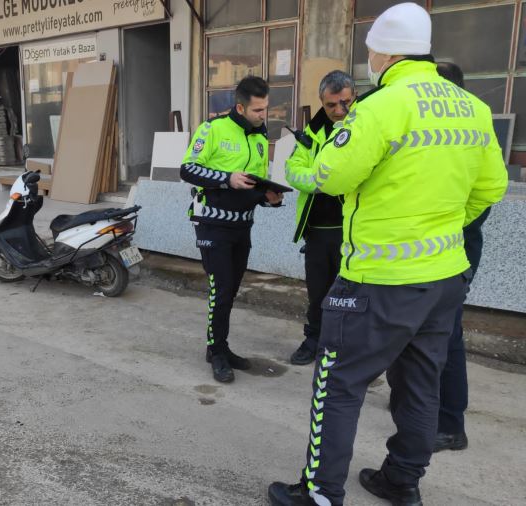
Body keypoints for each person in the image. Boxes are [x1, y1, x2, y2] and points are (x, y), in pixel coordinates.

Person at [267, 3, 508, 505]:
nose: (369, 56)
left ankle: (320, 493)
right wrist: (441, 227)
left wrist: (302, 174)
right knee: (421, 384)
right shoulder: (473, 107)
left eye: (371, 47)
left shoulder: (381, 106)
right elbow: (491, 188)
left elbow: (333, 175)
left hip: (378, 277)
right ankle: (402, 482)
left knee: (339, 384)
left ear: (385, 50)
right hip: (443, 277)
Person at [180, 76, 283, 384]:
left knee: (231, 290)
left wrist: (269, 199)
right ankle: (217, 351)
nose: (263, 115)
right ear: (240, 106)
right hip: (213, 224)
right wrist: (227, 178)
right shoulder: (212, 130)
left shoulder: (261, 139)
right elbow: (188, 169)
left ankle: (218, 347)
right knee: (221, 289)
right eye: (258, 110)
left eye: (265, 109)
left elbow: (254, 185)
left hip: (242, 227)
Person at [433, 61, 492, 453]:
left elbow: (486, 194)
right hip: (444, 254)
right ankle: (424, 404)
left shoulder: (470, 126)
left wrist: (448, 226)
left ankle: (451, 424)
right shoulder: (463, 127)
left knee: (447, 339)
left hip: (453, 255)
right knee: (428, 337)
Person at [285, 71, 356, 366]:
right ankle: (313, 339)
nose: (339, 111)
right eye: (332, 105)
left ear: (355, 98)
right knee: (317, 294)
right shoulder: (312, 132)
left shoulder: (366, 127)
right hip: (316, 231)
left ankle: (346, 348)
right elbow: (291, 169)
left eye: (346, 103)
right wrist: (319, 180)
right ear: (321, 103)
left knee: (351, 296)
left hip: (353, 230)